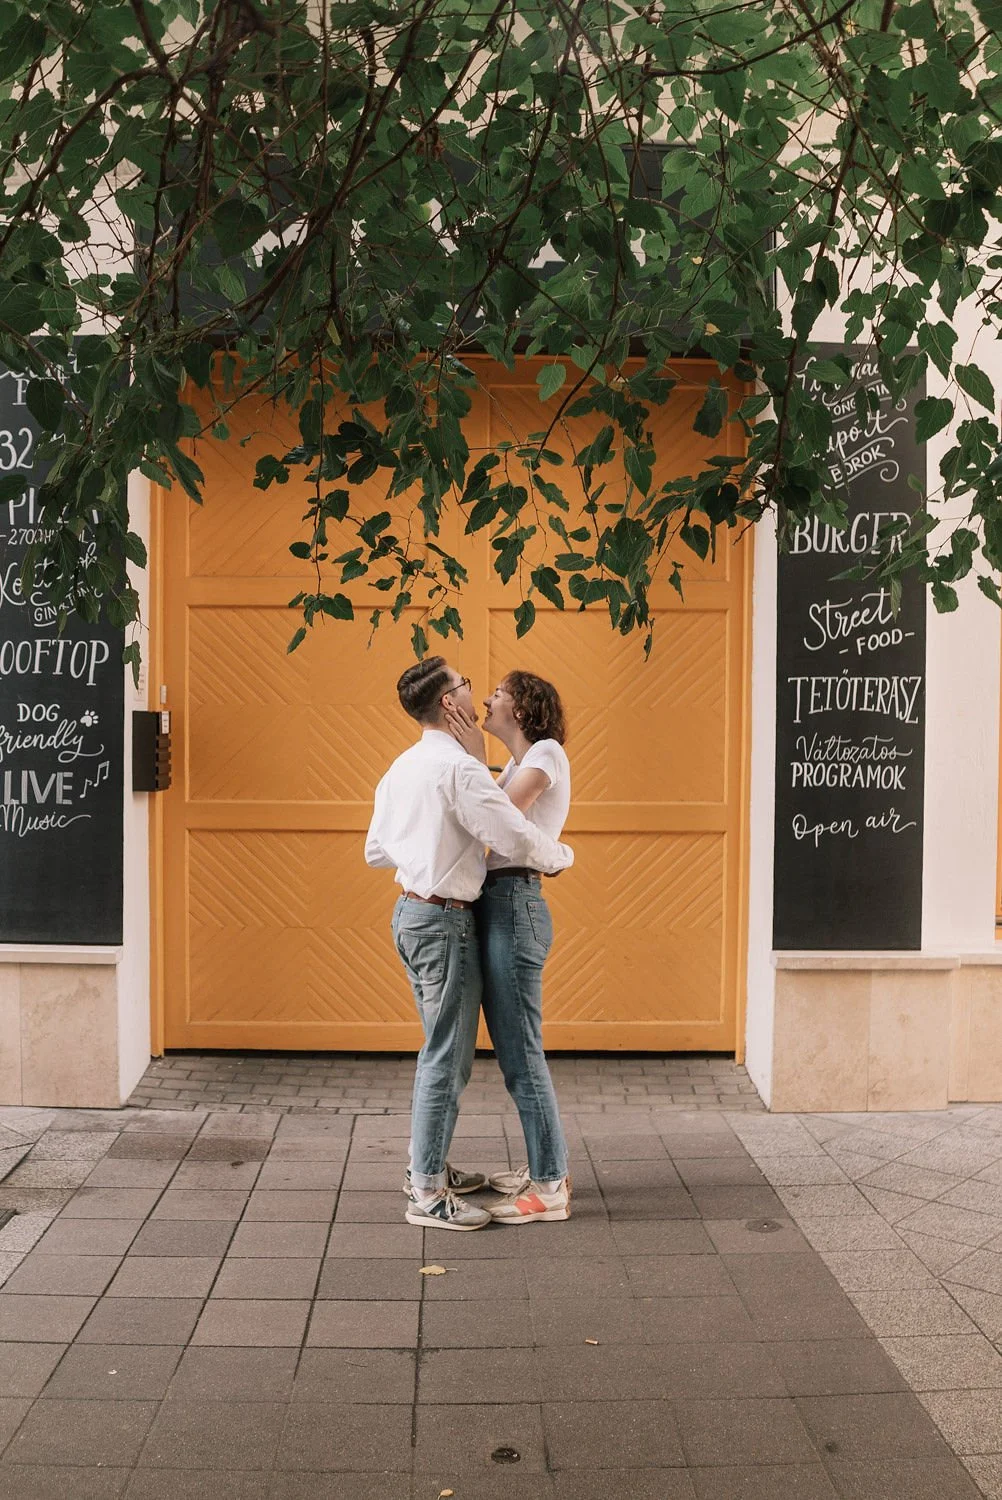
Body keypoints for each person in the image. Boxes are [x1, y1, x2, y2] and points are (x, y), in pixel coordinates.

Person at [364, 657, 574, 1231]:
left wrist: (431, 845)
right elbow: (507, 832)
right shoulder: (460, 771)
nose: (478, 695)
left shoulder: (402, 767)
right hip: (450, 918)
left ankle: (432, 1172)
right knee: (447, 1058)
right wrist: (563, 856)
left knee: (458, 1050)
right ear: (450, 704)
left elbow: (376, 851)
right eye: (467, 686)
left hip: (414, 912)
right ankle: (428, 1189)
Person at [444, 670, 572, 1225]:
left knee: (522, 1053)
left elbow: (497, 823)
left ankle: (548, 1188)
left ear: (520, 708)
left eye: (496, 692)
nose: (487, 700)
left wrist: (473, 759)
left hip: (515, 901)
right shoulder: (518, 762)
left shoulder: (546, 753)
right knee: (515, 1050)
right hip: (498, 902)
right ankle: (549, 1167)